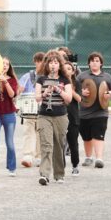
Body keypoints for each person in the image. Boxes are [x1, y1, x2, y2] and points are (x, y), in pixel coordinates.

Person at [35, 49, 72, 185]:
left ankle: (59, 174)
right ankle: (44, 174)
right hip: (44, 115)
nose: (53, 65)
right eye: (50, 62)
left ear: (59, 65)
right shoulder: (41, 79)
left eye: (55, 62)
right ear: (47, 64)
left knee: (58, 145)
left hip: (60, 116)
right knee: (46, 145)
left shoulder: (65, 80)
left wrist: (58, 90)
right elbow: (37, 98)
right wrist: (45, 94)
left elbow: (68, 99)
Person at [77, 52, 111, 169]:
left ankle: (99, 158)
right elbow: (74, 89)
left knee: (98, 135)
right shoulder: (82, 76)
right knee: (86, 137)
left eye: (97, 61)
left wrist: (108, 93)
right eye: (92, 60)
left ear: (101, 63)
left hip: (101, 112)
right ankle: (88, 157)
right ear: (89, 63)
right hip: (84, 112)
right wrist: (81, 92)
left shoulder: (107, 77)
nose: (94, 63)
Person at [18, 52, 44, 168]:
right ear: (35, 62)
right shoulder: (27, 76)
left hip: (43, 109)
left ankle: (39, 156)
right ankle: (28, 156)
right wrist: (19, 90)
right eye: (38, 61)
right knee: (28, 131)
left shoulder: (48, 77)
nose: (40, 64)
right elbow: (18, 92)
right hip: (29, 109)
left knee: (41, 132)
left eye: (42, 61)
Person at [0, 57, 19, 177]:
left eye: (7, 64)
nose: (4, 66)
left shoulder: (12, 80)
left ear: (9, 67)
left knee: (9, 142)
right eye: (2, 63)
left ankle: (12, 167)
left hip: (9, 114)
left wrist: (5, 81)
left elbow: (12, 94)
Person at [64, 61, 82, 176]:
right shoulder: (59, 82)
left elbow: (79, 99)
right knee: (59, 144)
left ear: (73, 71)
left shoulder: (77, 82)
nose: (67, 71)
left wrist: (71, 89)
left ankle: (75, 165)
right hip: (60, 115)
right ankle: (60, 167)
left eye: (69, 69)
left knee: (73, 143)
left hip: (73, 117)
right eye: (64, 68)